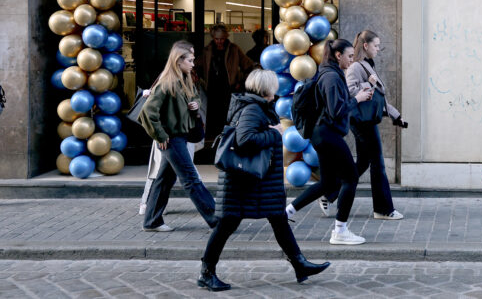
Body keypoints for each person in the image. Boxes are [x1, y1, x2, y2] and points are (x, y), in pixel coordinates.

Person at [198, 69, 330, 291]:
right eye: (274, 83)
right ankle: (206, 273)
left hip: (257, 182)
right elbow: (245, 139)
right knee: (226, 225)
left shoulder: (258, 106)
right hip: (244, 182)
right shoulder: (252, 109)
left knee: (278, 219)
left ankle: (300, 264)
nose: (277, 86)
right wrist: (275, 133)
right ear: (266, 87)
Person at [285, 39, 374, 245]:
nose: (352, 60)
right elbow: (336, 111)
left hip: (322, 134)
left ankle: (287, 211)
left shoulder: (328, 73)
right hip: (327, 134)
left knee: (327, 182)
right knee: (351, 178)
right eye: (350, 56)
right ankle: (340, 231)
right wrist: (358, 99)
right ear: (338, 55)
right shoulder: (332, 77)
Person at [139, 41, 218, 232]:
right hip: (172, 139)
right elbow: (147, 113)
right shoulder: (167, 83)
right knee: (190, 178)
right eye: (190, 60)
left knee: (165, 179)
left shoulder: (184, 80)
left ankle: (152, 221)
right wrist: (160, 136)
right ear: (178, 61)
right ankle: (217, 220)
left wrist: (195, 105)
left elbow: (194, 98)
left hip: (178, 137)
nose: (193, 64)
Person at [340, 30, 407, 220]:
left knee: (363, 162)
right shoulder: (356, 67)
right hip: (362, 121)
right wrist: (367, 84)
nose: (378, 49)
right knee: (378, 163)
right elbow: (349, 92)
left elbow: (379, 98)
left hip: (367, 119)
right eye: (376, 45)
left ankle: (329, 192)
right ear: (365, 45)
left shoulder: (367, 65)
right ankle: (383, 209)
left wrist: (396, 115)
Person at [199, 24, 256, 138]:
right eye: (217, 39)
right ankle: (213, 139)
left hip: (228, 88)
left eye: (222, 39)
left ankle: (226, 138)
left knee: (227, 115)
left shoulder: (234, 49)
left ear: (226, 37)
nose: (219, 42)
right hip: (212, 88)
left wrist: (240, 82)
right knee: (213, 115)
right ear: (213, 37)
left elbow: (248, 66)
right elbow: (197, 65)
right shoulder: (207, 50)